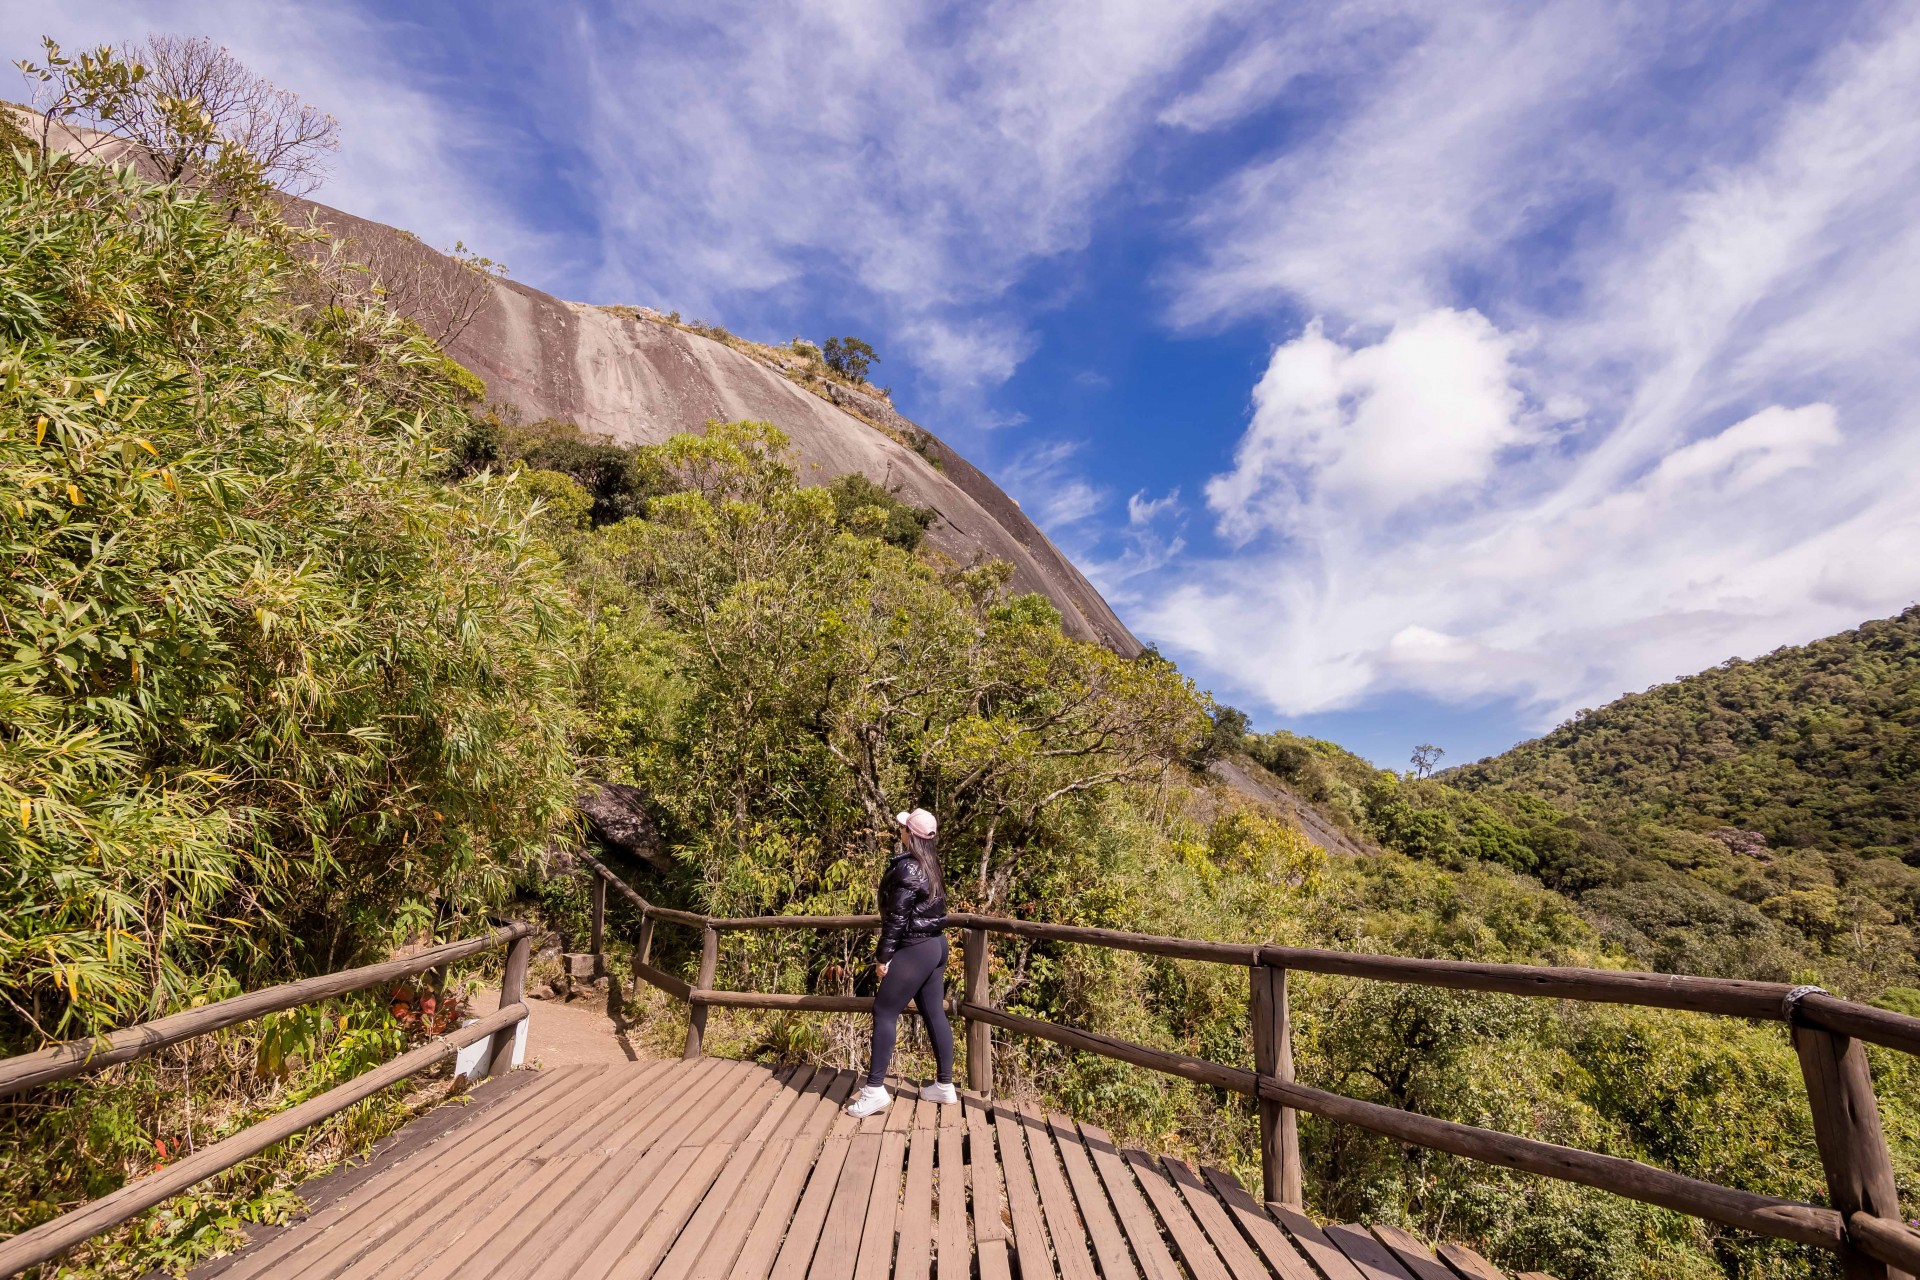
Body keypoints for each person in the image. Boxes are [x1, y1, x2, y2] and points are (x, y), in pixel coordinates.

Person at [844, 807, 957, 1117]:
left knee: (884, 1009)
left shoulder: (909, 868)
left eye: (904, 828)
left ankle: (874, 1090)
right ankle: (944, 1086)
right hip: (935, 945)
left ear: (911, 835)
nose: (901, 831)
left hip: (915, 947)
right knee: (934, 1012)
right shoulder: (931, 864)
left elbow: (897, 918)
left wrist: (884, 957)